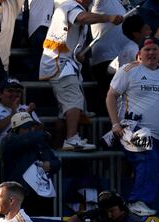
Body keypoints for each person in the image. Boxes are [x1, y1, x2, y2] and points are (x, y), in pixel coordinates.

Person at [106, 36, 159, 216]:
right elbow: (111, 96)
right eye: (147, 50)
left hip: (155, 134)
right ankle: (137, 201)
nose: (151, 53)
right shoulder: (129, 70)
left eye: (155, 49)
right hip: (129, 128)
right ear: (139, 53)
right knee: (148, 159)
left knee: (152, 162)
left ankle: (138, 202)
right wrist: (115, 124)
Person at [39, 0, 123, 151]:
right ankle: (71, 139)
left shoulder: (73, 8)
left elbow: (67, 41)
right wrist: (108, 18)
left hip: (64, 62)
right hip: (60, 64)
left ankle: (57, 148)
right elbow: (82, 18)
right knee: (74, 100)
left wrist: (77, 54)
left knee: (65, 111)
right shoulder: (70, 6)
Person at [0, 112, 61, 216]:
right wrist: (43, 134)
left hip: (41, 195)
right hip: (19, 195)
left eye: (32, 127)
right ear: (16, 129)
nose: (31, 130)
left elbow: (57, 163)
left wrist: (49, 165)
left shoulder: (39, 142)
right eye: (26, 128)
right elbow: (27, 139)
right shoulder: (9, 141)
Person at [0, 77, 39, 154]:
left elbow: (40, 133)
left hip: (23, 157)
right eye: (10, 91)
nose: (15, 94)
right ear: (0, 94)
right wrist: (13, 115)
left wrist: (30, 117)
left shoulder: (27, 108)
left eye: (18, 91)